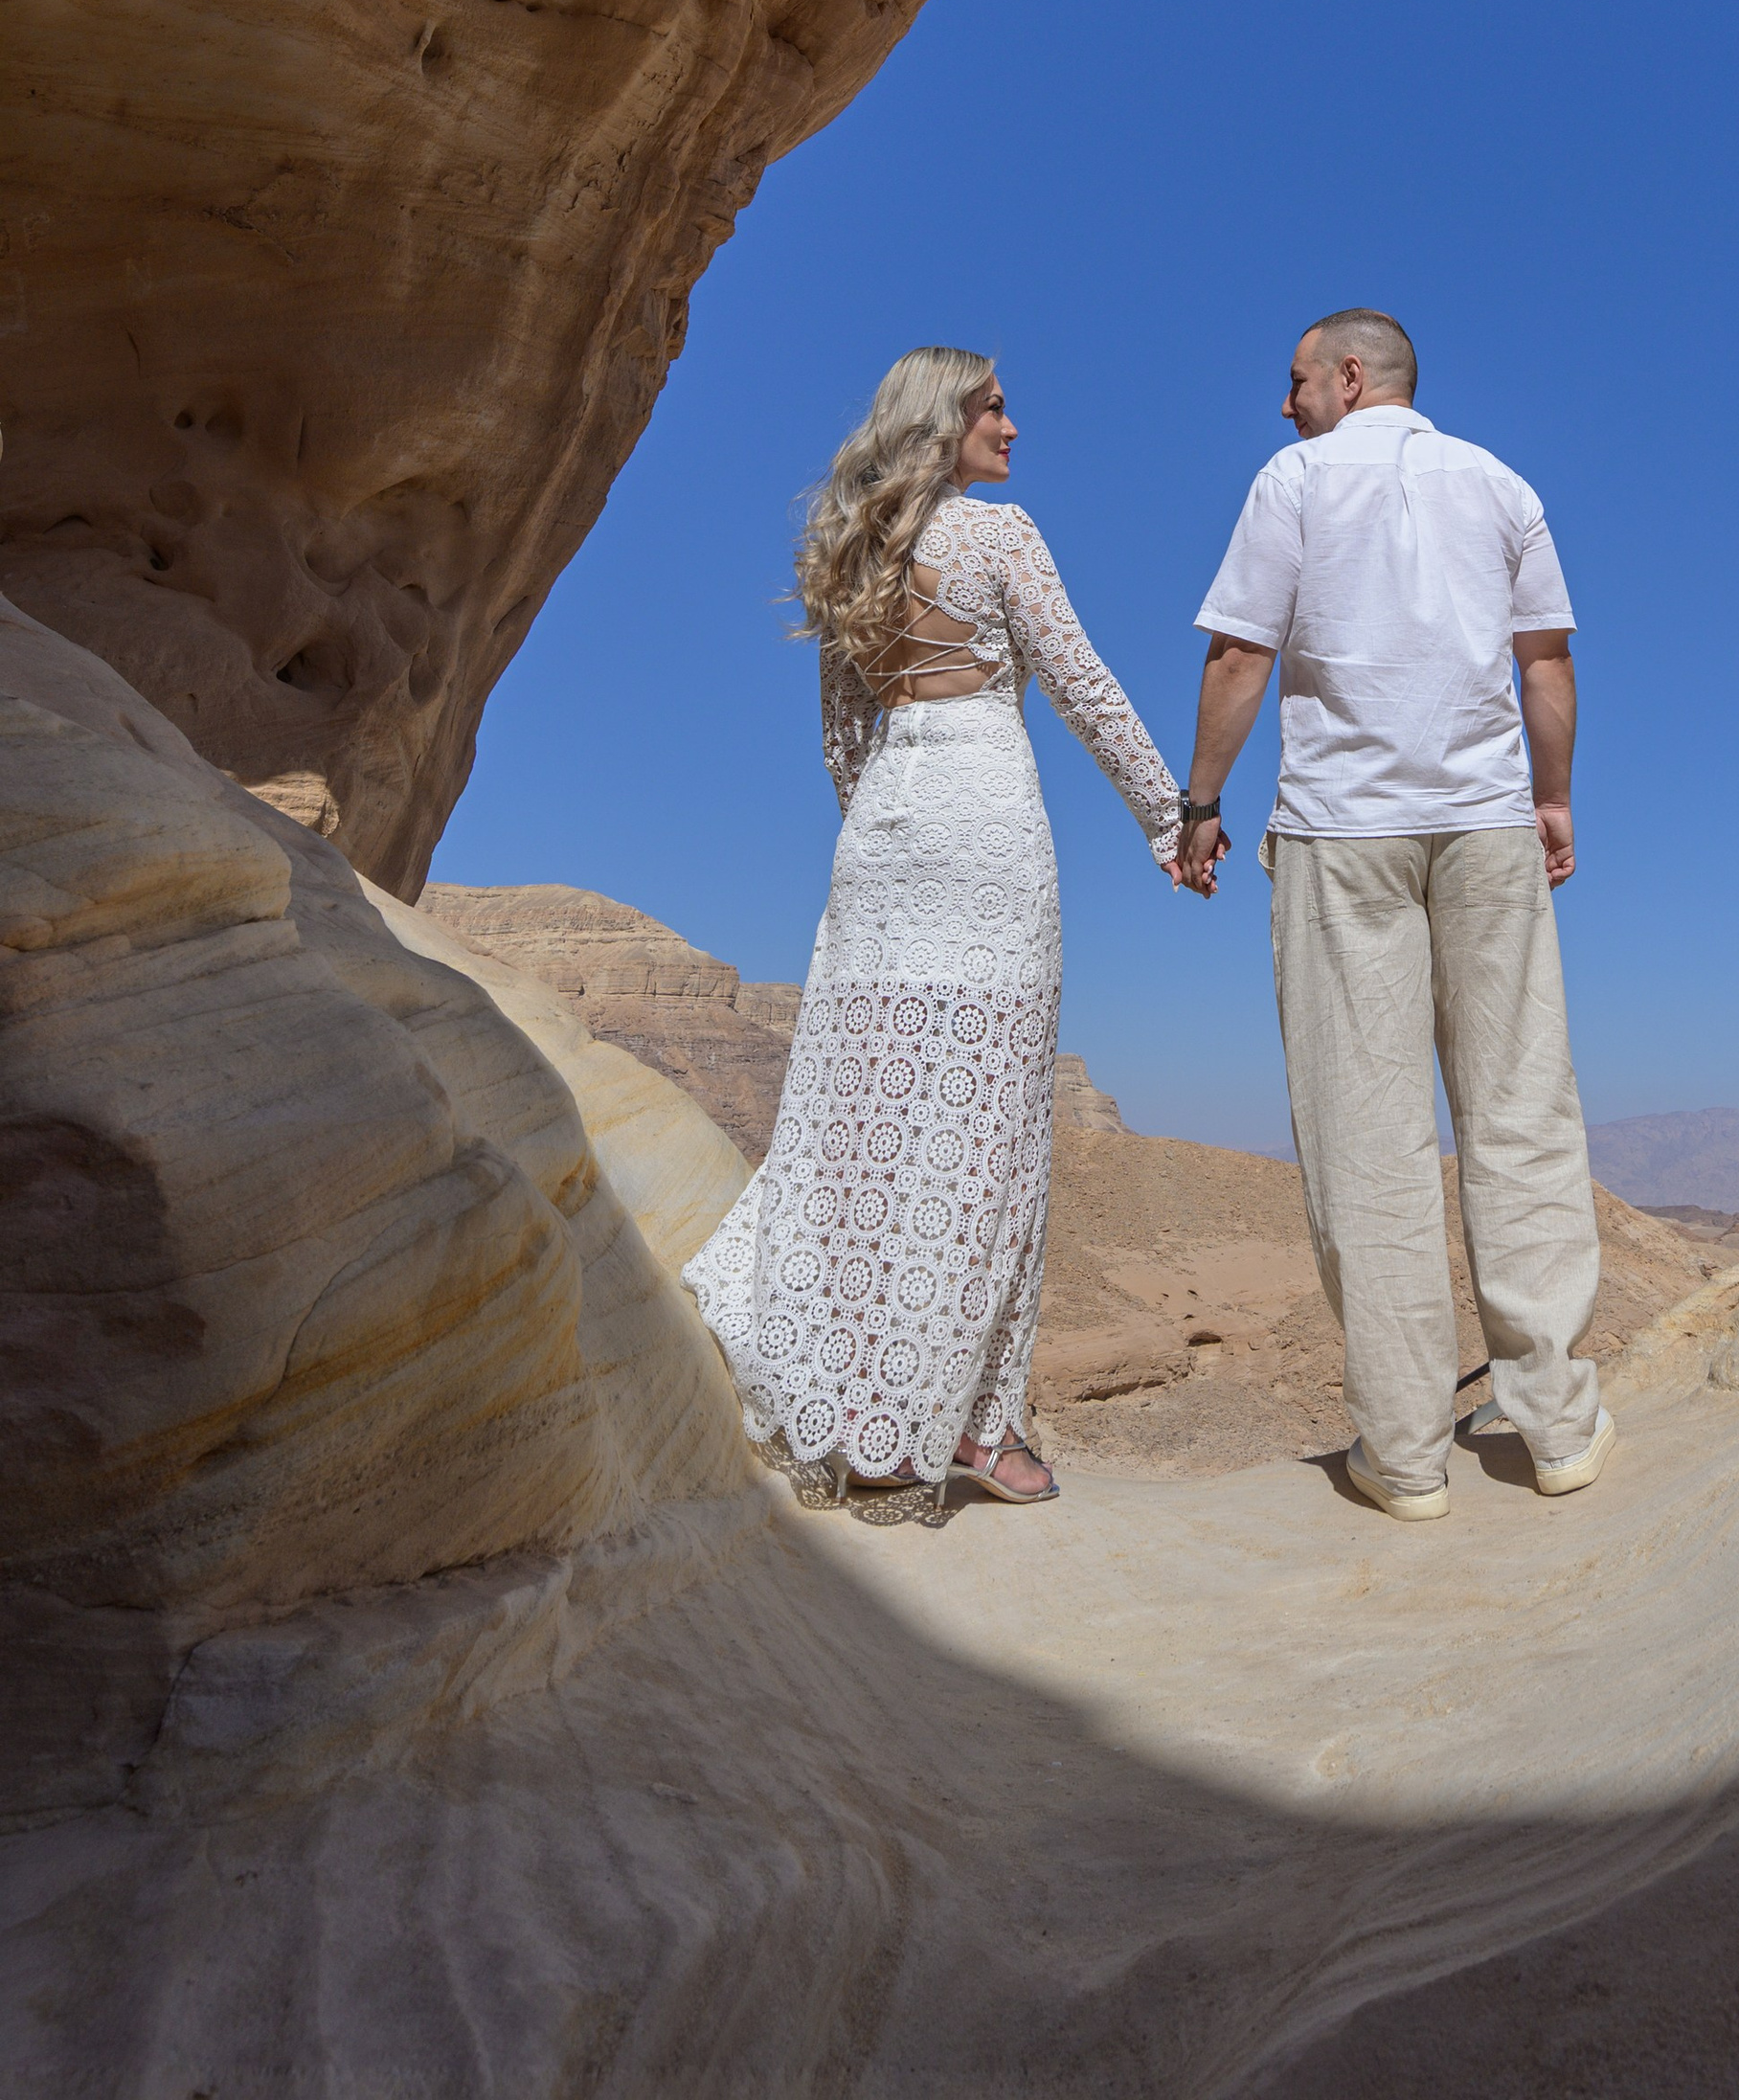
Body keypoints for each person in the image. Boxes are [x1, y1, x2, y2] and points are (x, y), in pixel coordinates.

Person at [684, 347, 1186, 1511]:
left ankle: (849, 1393)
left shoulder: (852, 553)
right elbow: (1082, 684)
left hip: (884, 841)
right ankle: (969, 1425)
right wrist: (1169, 818)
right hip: (984, 819)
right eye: (993, 406)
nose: (1013, 425)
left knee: (863, 1123)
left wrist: (880, 841)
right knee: (988, 1134)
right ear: (944, 420)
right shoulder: (1002, 537)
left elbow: (840, 743)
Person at [1174, 307, 1612, 1522]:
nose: (1285, 401)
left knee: (1368, 1139)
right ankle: (1559, 1428)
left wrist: (1199, 800)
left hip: (1341, 834)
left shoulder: (1294, 481)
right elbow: (1547, 661)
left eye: (1297, 378)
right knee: (1520, 1110)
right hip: (1486, 826)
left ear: (1349, 377)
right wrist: (1555, 798)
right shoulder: (1501, 485)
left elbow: (1238, 659)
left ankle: (1407, 1459)